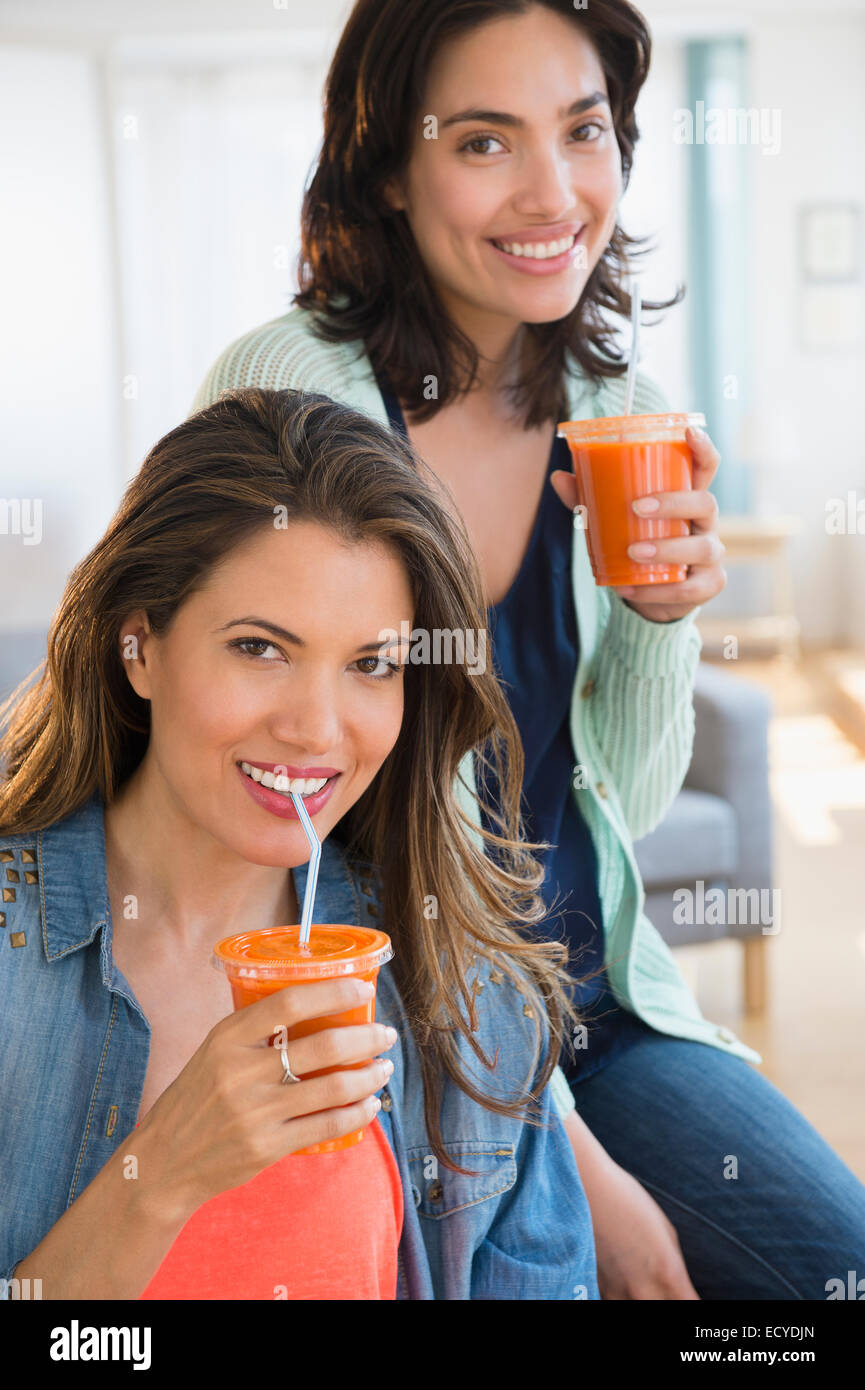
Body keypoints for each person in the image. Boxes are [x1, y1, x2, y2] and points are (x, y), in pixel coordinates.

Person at [191, 0, 865, 1299]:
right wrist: (566, 1150)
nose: (553, 191)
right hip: (390, 1011)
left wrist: (665, 625)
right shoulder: (287, 393)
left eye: (584, 131)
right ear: (388, 165)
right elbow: (308, 810)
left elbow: (627, 789)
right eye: (485, 142)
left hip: (602, 1002)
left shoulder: (625, 407)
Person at [0, 387, 598, 1301]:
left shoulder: (465, 989)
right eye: (259, 648)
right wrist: (159, 1176)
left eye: (371, 665)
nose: (318, 731)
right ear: (140, 646)